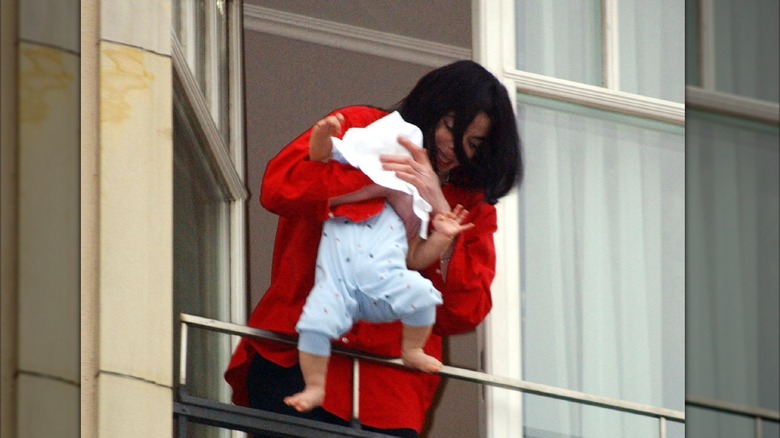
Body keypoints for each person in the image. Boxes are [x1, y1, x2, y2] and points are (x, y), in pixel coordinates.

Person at [225, 60, 523, 437]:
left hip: (389, 389)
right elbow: (280, 187)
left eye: (474, 143)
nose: (456, 147)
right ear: (430, 106)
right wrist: (376, 185)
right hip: (298, 354)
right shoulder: (362, 126)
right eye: (451, 126)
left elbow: (461, 313)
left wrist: (438, 209)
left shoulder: (470, 204)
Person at [284, 110, 476, 413]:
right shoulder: (347, 191)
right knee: (314, 326)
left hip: (383, 287)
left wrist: (442, 237)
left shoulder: (410, 210)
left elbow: (416, 257)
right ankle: (315, 386)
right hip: (337, 287)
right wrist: (323, 133)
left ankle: (411, 348)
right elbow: (320, 156)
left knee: (423, 294)